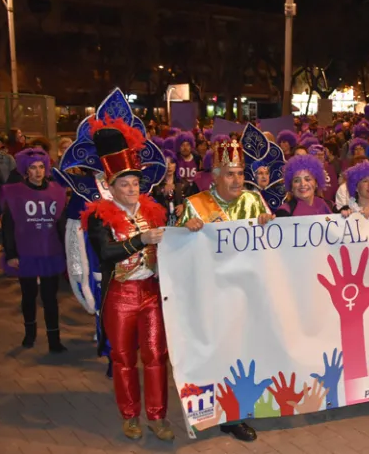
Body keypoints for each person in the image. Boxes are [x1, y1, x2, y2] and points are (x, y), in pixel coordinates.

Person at [81, 119, 174, 441]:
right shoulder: (98, 216)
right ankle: (130, 415)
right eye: (125, 184)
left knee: (156, 356)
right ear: (110, 187)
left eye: (135, 183)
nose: (132, 189)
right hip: (120, 296)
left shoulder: (153, 211)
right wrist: (141, 239)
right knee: (123, 358)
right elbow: (106, 253)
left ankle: (158, 416)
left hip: (151, 293)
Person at [178, 137, 273, 442]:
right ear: (215, 176)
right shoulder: (195, 205)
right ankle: (210, 412)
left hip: (245, 294)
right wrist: (185, 230)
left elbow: (271, 246)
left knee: (242, 354)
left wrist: (268, 223)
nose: (237, 180)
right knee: (213, 355)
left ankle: (236, 412)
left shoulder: (253, 201)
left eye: (241, 173)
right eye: (230, 174)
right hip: (209, 296)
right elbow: (174, 252)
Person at [1, 147, 68, 352]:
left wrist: (67, 251)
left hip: (50, 252)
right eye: (33, 168)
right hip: (26, 252)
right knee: (28, 296)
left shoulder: (56, 191)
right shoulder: (15, 193)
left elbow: (62, 225)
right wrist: (11, 254)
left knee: (50, 298)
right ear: (25, 170)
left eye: (41, 167)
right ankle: (29, 335)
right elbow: (8, 227)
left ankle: (54, 340)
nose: (38, 172)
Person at [151, 150, 189, 227]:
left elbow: (193, 203)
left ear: (176, 165)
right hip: (162, 226)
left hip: (181, 225)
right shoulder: (154, 186)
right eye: (165, 163)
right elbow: (150, 207)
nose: (169, 166)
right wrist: (161, 192)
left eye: (172, 162)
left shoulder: (184, 184)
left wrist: (184, 206)